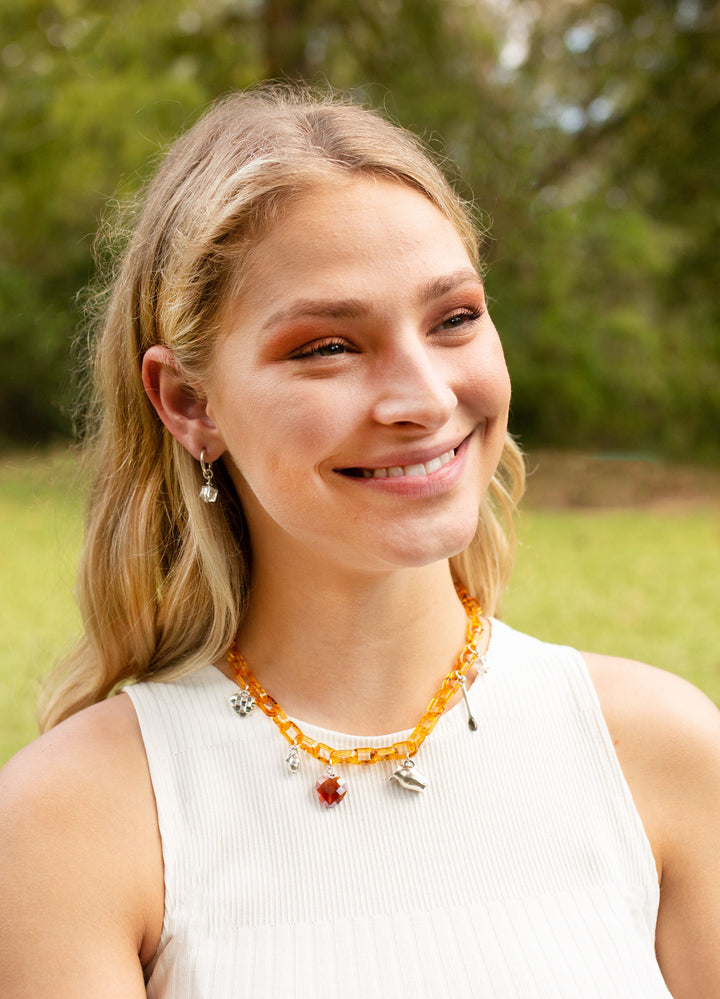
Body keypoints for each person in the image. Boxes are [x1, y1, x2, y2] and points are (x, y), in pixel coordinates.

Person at [1, 83, 719, 999]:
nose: (422, 398)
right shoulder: (70, 822)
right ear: (187, 402)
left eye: (453, 318)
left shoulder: (665, 751)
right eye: (328, 345)